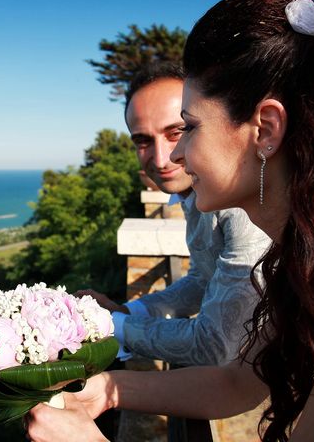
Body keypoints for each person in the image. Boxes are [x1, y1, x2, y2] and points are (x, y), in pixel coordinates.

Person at [27, 0, 314, 441]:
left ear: (265, 129)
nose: (173, 154)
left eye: (189, 127)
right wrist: (108, 391)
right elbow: (236, 381)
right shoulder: (310, 244)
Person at [78, 62, 271, 366]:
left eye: (178, 131)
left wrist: (109, 327)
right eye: (142, 140)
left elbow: (216, 345)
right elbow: (201, 279)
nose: (161, 158)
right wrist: (129, 312)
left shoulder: (242, 208)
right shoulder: (194, 193)